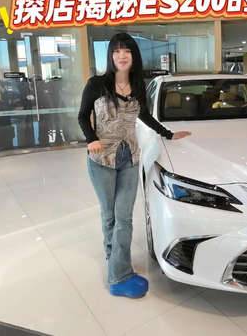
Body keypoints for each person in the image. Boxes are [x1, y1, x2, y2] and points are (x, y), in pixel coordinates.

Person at [78, 32, 191, 299]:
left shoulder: (138, 85)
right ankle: (117, 268)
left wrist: (168, 134)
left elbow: (145, 116)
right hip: (101, 160)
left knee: (124, 217)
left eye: (126, 51)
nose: (122, 55)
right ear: (111, 55)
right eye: (116, 51)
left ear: (133, 55)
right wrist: (91, 139)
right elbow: (83, 116)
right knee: (110, 215)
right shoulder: (97, 84)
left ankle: (118, 271)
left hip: (129, 159)